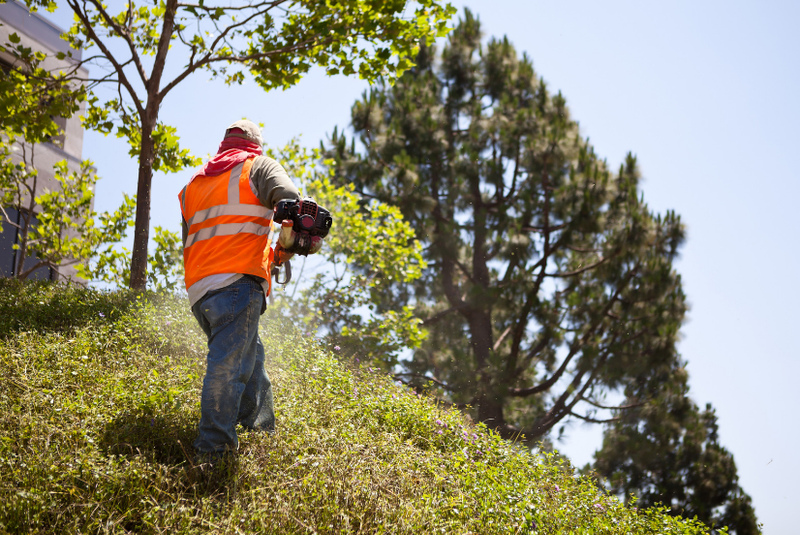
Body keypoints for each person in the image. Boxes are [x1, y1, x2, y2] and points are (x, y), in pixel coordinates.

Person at [178, 119, 317, 459]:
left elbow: (213, 240)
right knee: (227, 367)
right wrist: (297, 236)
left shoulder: (193, 185)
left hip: (201, 291)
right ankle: (213, 453)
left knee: (250, 359)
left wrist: (276, 253)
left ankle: (261, 433)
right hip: (237, 285)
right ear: (255, 144)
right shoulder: (259, 166)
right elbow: (290, 202)